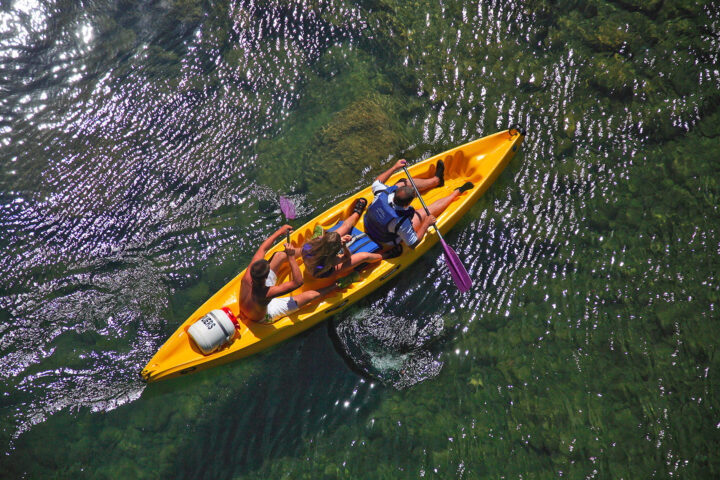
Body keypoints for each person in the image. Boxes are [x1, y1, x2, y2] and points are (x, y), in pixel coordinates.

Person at [364, 158, 473, 250]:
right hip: (385, 239)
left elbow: (377, 182)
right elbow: (413, 243)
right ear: (407, 204)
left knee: (405, 183)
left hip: (368, 224)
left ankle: (437, 180)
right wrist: (426, 223)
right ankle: (456, 192)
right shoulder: (402, 222)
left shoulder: (382, 192)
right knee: (424, 213)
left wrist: (394, 168)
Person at [239, 225, 339, 324]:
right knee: (310, 295)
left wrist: (280, 231)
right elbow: (298, 282)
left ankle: (311, 250)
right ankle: (334, 287)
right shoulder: (266, 293)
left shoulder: (249, 273)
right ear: (266, 277)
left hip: (248, 304)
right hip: (264, 315)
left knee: (279, 255)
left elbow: (263, 248)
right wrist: (291, 256)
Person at [301, 198, 394, 279]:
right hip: (323, 272)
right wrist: (344, 246)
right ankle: (384, 255)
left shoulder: (308, 246)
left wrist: (336, 242)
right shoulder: (331, 261)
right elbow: (347, 257)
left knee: (344, 228)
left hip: (317, 262)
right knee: (364, 256)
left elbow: (323, 243)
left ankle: (356, 213)